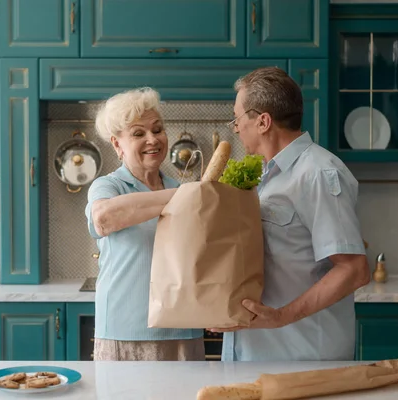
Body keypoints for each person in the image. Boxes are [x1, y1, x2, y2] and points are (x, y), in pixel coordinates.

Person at [212, 67, 370, 361]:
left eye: (238, 119)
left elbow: (353, 270)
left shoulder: (318, 173)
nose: (236, 129)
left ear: (262, 121)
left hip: (301, 356)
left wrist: (281, 316)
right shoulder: (264, 176)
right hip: (254, 354)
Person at [85, 87, 205, 361]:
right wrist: (189, 196)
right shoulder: (108, 186)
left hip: (184, 330)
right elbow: (103, 218)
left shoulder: (180, 187)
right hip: (125, 332)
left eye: (158, 129)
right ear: (117, 144)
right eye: (139, 134)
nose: (153, 139)